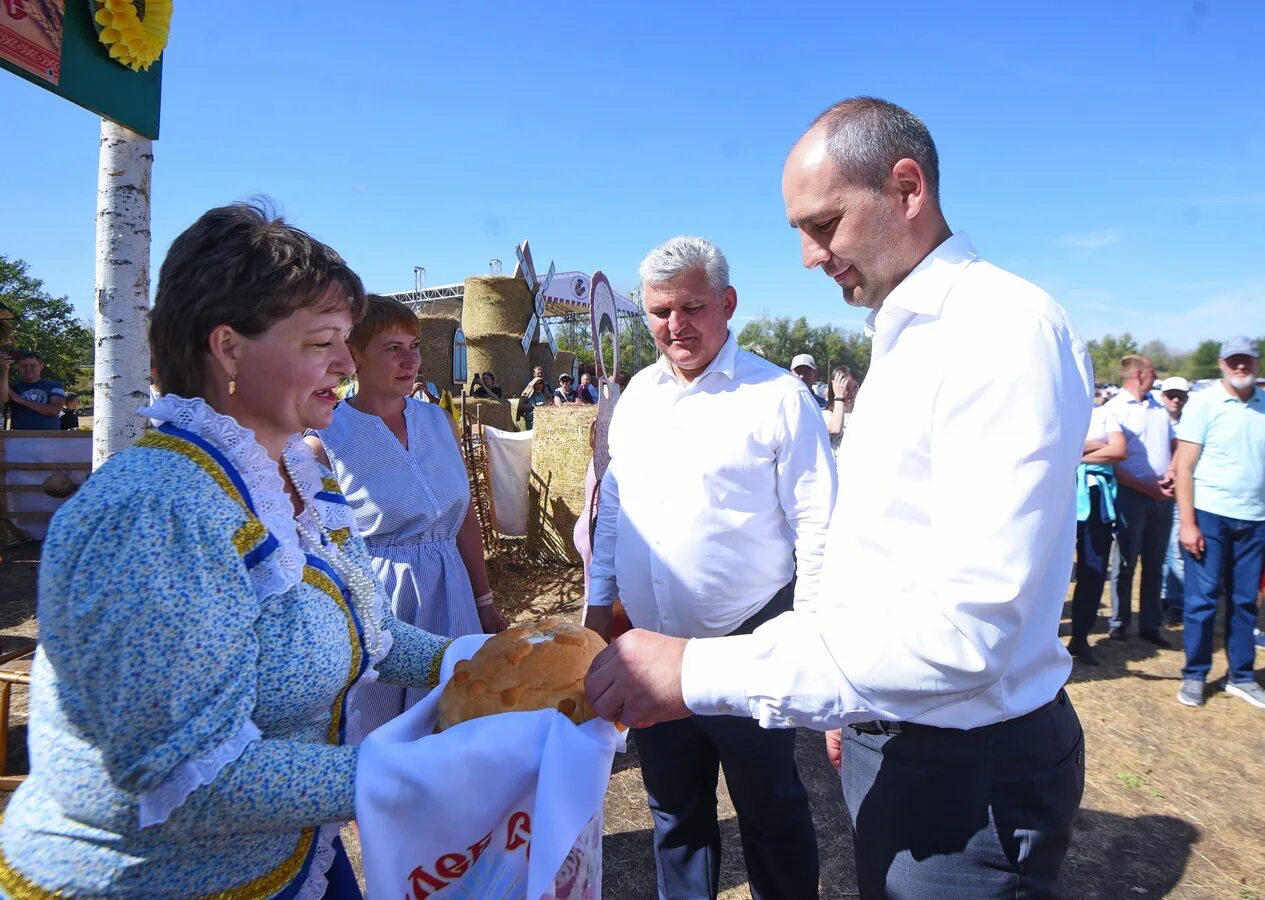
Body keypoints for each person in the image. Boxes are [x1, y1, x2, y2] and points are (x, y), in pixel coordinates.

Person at [585, 97, 1092, 898]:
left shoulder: (997, 332)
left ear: (906, 187)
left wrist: (703, 669)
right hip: (894, 725)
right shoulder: (909, 331)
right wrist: (844, 706)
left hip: (963, 762)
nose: (807, 256)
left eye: (822, 224)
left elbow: (969, 627)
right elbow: (881, 546)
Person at [0, 203, 456, 897]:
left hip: (296, 859)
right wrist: (426, 772)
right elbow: (186, 779)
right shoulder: (153, 513)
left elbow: (373, 634)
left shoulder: (302, 472)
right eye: (322, 342)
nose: (344, 361)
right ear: (228, 348)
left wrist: (476, 661)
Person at [584, 236, 834, 899]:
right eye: (659, 312)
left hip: (748, 640)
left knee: (769, 806)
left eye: (691, 307)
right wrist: (594, 608)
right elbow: (614, 507)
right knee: (673, 810)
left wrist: (812, 644)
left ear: (727, 304)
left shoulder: (778, 397)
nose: (675, 326)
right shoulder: (636, 395)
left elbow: (818, 525)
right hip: (648, 648)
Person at [307, 294, 508, 742]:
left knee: (459, 723)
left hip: (453, 592)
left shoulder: (438, 421)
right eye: (392, 348)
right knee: (385, 740)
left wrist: (484, 602)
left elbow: (464, 521)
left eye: (414, 346)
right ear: (354, 355)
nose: (410, 360)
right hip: (383, 603)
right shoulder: (325, 439)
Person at [1172, 336, 1265, 710]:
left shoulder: (1262, 405)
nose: (1240, 366)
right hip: (1210, 515)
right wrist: (1188, 523)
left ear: (1256, 363)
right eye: (1234, 361)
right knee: (1202, 600)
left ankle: (1241, 675)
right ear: (1222, 363)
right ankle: (1195, 674)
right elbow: (1184, 466)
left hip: (1255, 519)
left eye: (1247, 360)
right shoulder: (1205, 403)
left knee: (1245, 603)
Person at [1105, 355, 1175, 645]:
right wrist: (1148, 488)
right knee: (1124, 561)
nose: (1156, 376)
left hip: (1161, 495)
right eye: (1153, 370)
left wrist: (1171, 470)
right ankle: (1119, 622)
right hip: (1130, 495)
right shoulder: (1115, 409)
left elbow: (1173, 443)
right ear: (1138, 373)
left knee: (1155, 562)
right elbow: (1113, 463)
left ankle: (1150, 624)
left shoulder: (1159, 407)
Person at [1068, 403, 1127, 665]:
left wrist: (1074, 452)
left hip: (1096, 499)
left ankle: (1080, 637)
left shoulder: (1104, 413)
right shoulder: (1055, 402)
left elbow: (1118, 449)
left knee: (1094, 570)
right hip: (1059, 494)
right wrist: (1096, 444)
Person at [1158, 375, 1190, 624]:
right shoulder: (1155, 419)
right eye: (1172, 395)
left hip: (1180, 493)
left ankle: (1176, 600)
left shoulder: (1191, 423)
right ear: (1163, 397)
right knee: (1159, 549)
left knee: (1176, 549)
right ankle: (1162, 595)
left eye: (1181, 396)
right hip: (1155, 491)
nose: (1176, 400)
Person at [0, 349, 65, 430]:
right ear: (18, 368)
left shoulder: (55, 385)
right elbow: (2, 399)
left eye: (32, 365)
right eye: (23, 366)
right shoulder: (13, 387)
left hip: (48, 438)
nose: (28, 369)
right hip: (19, 438)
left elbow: (54, 410)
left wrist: (21, 400)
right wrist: (5, 369)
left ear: (41, 366)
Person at [824, 365, 858, 455]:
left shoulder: (862, 414)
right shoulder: (825, 415)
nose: (851, 392)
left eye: (855, 387)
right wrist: (839, 397)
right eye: (846, 388)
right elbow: (835, 429)